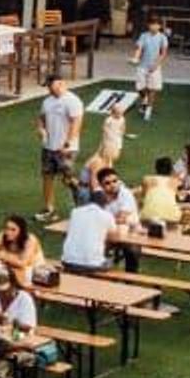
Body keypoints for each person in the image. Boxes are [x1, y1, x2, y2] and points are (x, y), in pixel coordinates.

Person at [37, 75, 84, 217]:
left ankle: (83, 202)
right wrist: (40, 129)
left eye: (50, 85)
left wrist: (67, 143)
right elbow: (41, 118)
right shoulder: (47, 102)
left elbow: (77, 123)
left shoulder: (72, 100)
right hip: (48, 147)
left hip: (66, 148)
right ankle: (49, 209)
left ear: (60, 84)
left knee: (67, 179)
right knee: (47, 176)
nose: (48, 88)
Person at [59, 191, 117, 275]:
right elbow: (114, 234)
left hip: (67, 262)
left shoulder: (75, 212)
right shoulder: (107, 215)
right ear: (105, 204)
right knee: (111, 258)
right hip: (92, 265)